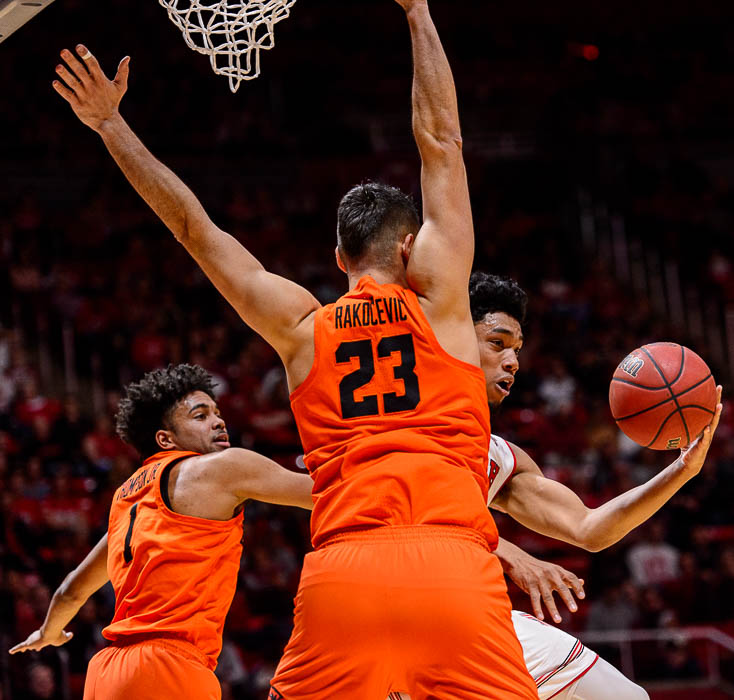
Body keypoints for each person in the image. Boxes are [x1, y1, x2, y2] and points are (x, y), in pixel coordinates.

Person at [49, 0, 538, 697]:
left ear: (338, 256)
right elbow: (441, 141)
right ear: (410, 248)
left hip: (345, 573)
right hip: (455, 565)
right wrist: (418, 12)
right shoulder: (448, 309)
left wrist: (110, 125)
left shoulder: (303, 328)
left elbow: (193, 227)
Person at [457, 272, 720, 700]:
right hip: (405, 612)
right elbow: (383, 508)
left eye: (518, 349)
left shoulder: (502, 457)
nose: (513, 361)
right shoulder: (402, 423)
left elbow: (590, 529)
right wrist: (508, 551)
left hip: (462, 625)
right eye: (497, 343)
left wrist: (681, 471)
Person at [10, 364, 313, 700]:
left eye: (217, 412)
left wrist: (48, 632)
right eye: (200, 415)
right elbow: (325, 493)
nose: (218, 421)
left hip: (107, 674)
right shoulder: (219, 469)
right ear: (165, 439)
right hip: (169, 666)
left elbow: (71, 591)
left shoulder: (126, 500)